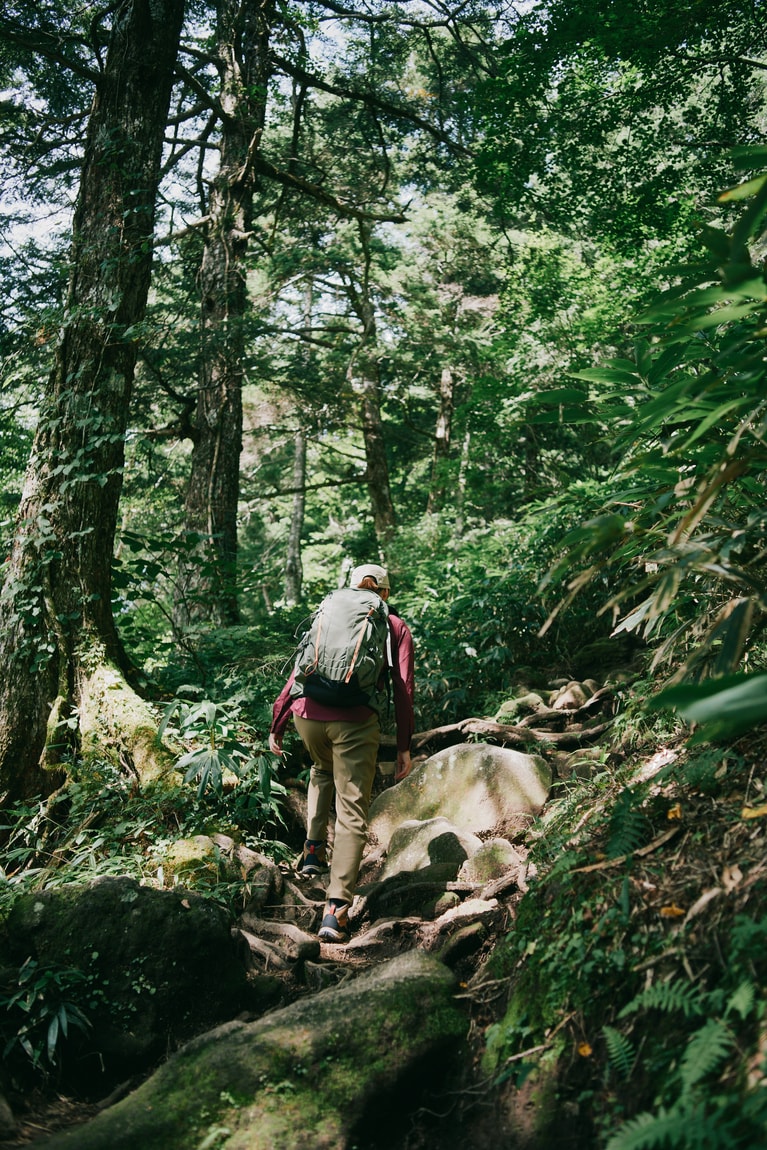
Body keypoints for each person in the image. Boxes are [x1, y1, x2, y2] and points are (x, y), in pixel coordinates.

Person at [269, 563, 414, 943]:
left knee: (321, 767)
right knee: (352, 812)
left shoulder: (329, 610)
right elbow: (402, 687)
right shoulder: (393, 625)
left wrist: (278, 721)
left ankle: (313, 852)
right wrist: (403, 745)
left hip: (307, 715)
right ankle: (335, 911)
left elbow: (299, 668)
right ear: (384, 592)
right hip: (353, 721)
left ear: (351, 588)